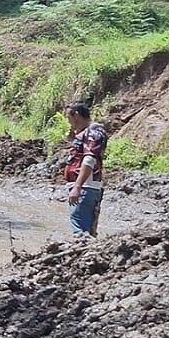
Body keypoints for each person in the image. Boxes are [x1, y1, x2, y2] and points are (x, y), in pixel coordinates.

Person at [62, 100, 108, 236]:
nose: (68, 121)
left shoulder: (93, 132)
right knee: (85, 227)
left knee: (79, 228)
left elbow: (89, 160)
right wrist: (74, 136)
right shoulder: (87, 133)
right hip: (86, 186)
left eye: (68, 118)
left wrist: (77, 187)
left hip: (86, 186)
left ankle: (83, 252)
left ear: (76, 115)